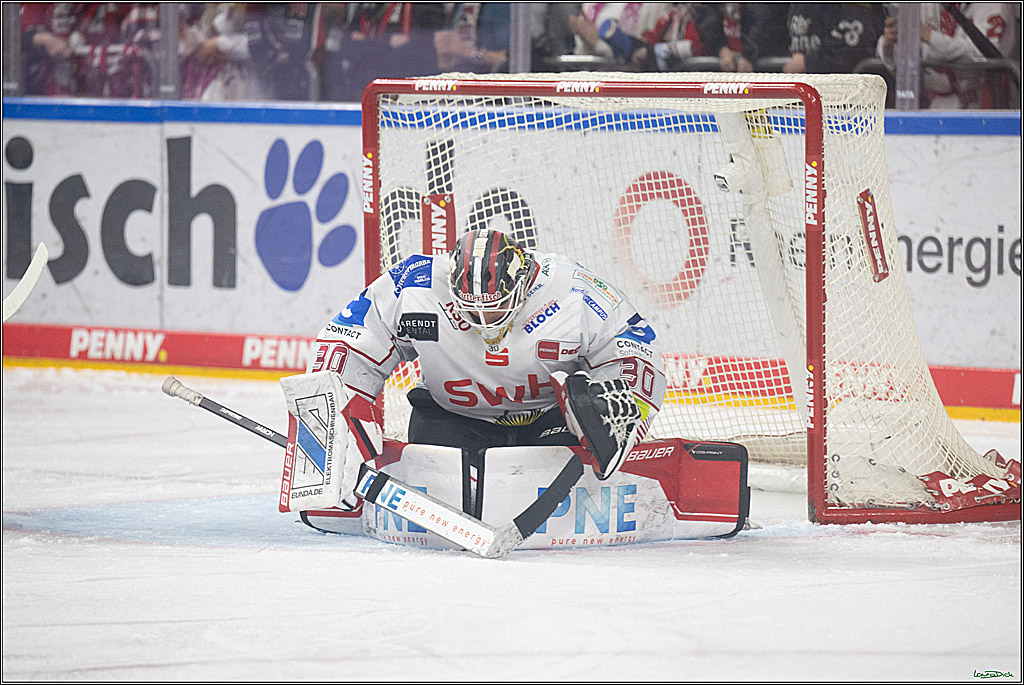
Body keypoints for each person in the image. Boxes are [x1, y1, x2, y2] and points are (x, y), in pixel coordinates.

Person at [283, 229, 667, 508]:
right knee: (435, 473)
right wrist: (334, 429)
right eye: (470, 308)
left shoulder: (574, 291)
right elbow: (347, 345)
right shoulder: (415, 286)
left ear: (522, 284)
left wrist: (623, 407)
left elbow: (635, 346)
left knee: (571, 463)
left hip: (549, 427)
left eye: (495, 307)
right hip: (451, 422)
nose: (484, 320)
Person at [876, 3, 1017, 109]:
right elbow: (901, 67)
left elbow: (984, 55)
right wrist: (889, 45)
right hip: (932, 110)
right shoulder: (919, 5)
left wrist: (930, 37)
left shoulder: (996, 5)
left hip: (984, 111)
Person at [783, 3, 886, 74]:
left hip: (849, 93)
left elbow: (852, 55)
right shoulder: (802, 6)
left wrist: (807, 63)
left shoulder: (862, 11)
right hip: (804, 94)